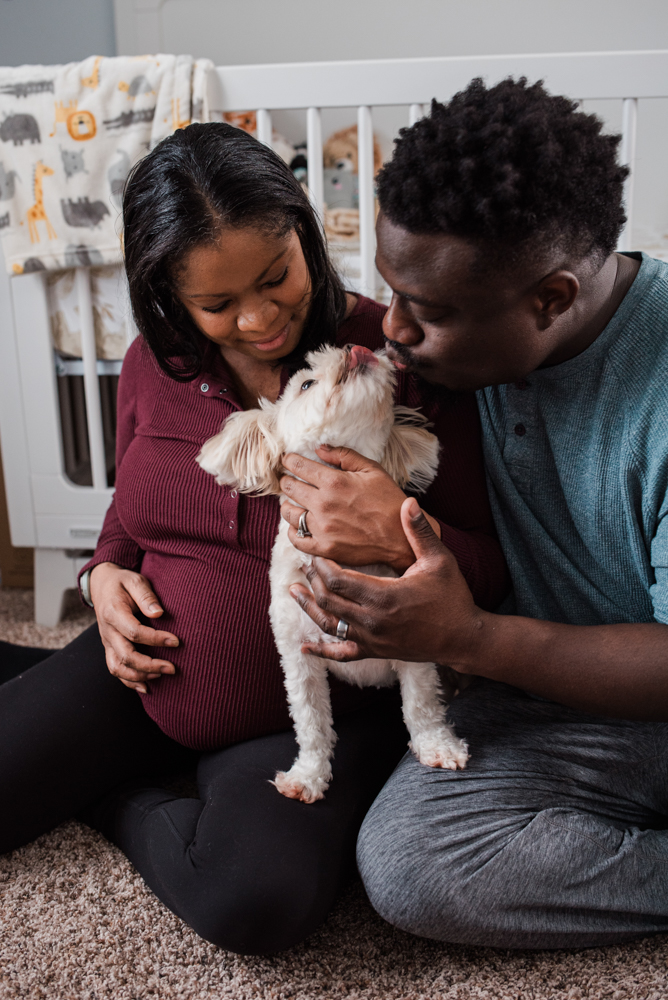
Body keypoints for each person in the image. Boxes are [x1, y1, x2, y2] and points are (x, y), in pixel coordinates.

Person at [0, 122, 509, 954]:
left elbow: (492, 569)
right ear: (166, 294)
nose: (260, 318)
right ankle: (91, 730)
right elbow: (130, 508)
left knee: (254, 902)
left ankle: (109, 790)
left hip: (310, 712)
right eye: (217, 304)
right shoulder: (152, 363)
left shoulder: (391, 358)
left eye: (276, 278)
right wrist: (102, 573)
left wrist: (402, 531)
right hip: (138, 672)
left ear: (304, 232)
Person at [282, 77, 668, 949]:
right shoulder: (446, 353)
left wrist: (468, 638)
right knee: (414, 864)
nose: (393, 332)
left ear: (552, 299)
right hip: (544, 700)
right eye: (393, 293)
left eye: (429, 313)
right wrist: (113, 556)